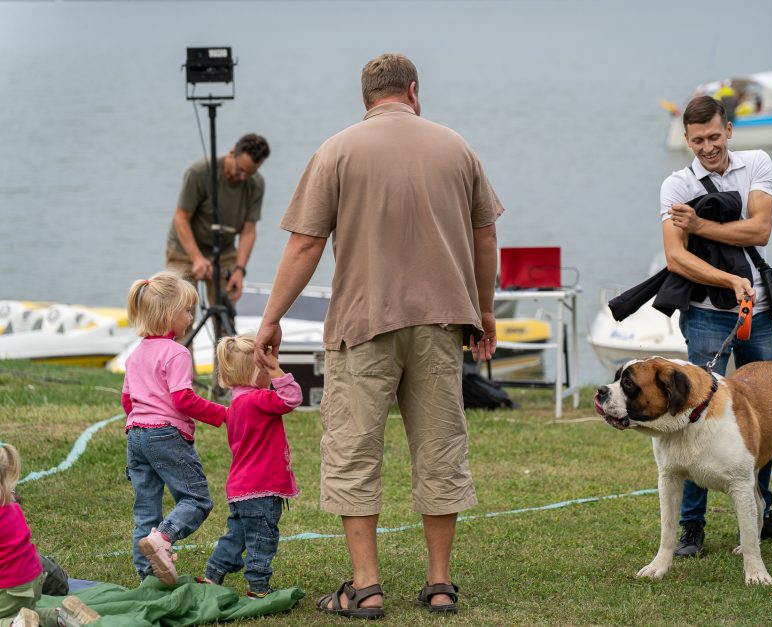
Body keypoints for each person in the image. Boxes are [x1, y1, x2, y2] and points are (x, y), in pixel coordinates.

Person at [254, 53, 502, 619]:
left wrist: (271, 319)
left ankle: (365, 587)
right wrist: (483, 311)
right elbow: (485, 233)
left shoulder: (337, 150)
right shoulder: (456, 147)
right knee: (439, 449)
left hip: (363, 325)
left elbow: (306, 244)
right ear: (413, 91)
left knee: (354, 451)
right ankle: (439, 584)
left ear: (365, 99)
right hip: (441, 323)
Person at [661, 95, 772, 557]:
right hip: (706, 313)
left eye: (714, 136)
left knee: (764, 414)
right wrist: (727, 279)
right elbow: (676, 256)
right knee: (692, 415)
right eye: (698, 140)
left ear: (729, 130)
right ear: (686, 139)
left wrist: (699, 224)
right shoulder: (676, 184)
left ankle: (760, 513)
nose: (708, 147)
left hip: (757, 312)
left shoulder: (756, 162)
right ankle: (692, 528)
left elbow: (760, 230)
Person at [122, 272, 227, 585]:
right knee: (196, 500)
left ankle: (148, 576)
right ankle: (163, 539)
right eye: (187, 311)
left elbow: (128, 400)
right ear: (169, 315)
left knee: (145, 509)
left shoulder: (136, 353)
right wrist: (223, 414)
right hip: (166, 435)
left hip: (135, 435)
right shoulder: (178, 353)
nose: (191, 317)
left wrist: (140, 424)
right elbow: (183, 399)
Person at [198, 334, 302, 598]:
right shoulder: (258, 401)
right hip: (262, 488)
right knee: (262, 539)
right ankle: (258, 586)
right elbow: (292, 398)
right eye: (266, 369)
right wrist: (276, 369)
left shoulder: (234, 406)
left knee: (237, 535)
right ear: (259, 373)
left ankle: (213, 574)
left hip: (241, 488)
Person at [0, 443, 101, 627]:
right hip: (34, 583)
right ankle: (60, 616)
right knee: (28, 612)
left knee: (7, 614)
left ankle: (14, 624)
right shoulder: (13, 508)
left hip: (10, 589)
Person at [165, 133, 271, 306]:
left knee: (225, 310)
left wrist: (239, 270)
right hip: (184, 248)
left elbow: (249, 230)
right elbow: (181, 218)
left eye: (250, 173)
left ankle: (222, 330)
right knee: (178, 313)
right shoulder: (200, 172)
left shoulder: (256, 184)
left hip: (224, 251)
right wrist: (197, 258)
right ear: (232, 153)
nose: (243, 177)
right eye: (241, 170)